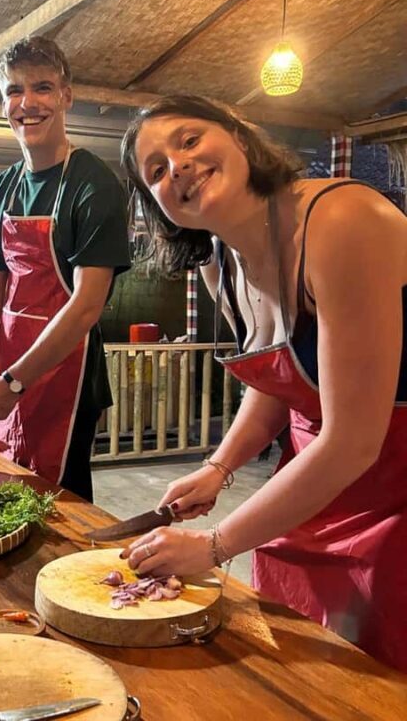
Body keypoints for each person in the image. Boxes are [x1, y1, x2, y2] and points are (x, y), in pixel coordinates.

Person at [119, 95, 407, 672]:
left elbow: (354, 441)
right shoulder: (218, 262)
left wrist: (214, 545)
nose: (176, 165)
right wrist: (219, 467)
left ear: (241, 134)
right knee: (302, 664)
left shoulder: (341, 220)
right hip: (314, 484)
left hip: (393, 491)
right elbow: (281, 381)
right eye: (155, 171)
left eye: (190, 140)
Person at [0, 37, 131, 501]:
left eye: (42, 88)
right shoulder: (0, 191)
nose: (27, 103)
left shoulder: (94, 184)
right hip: (6, 365)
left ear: (66, 96)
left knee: (57, 504)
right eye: (14, 91)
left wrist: (15, 383)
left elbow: (86, 305)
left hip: (67, 370)